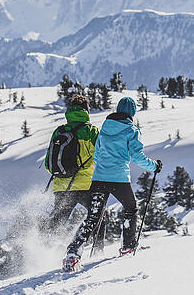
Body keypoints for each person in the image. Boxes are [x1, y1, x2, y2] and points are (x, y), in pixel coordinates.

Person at [63, 96, 162, 272]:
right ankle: (128, 246)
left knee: (93, 217)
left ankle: (72, 253)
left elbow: (97, 156)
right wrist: (154, 166)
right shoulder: (132, 130)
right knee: (130, 208)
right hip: (118, 179)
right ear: (132, 113)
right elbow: (137, 156)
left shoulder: (104, 128)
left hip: (99, 179)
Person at [42, 94, 102, 243]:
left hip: (60, 186)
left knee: (56, 223)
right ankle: (98, 253)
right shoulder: (91, 131)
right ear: (86, 110)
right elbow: (102, 156)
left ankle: (44, 254)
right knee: (98, 216)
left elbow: (48, 164)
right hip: (85, 185)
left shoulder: (59, 131)